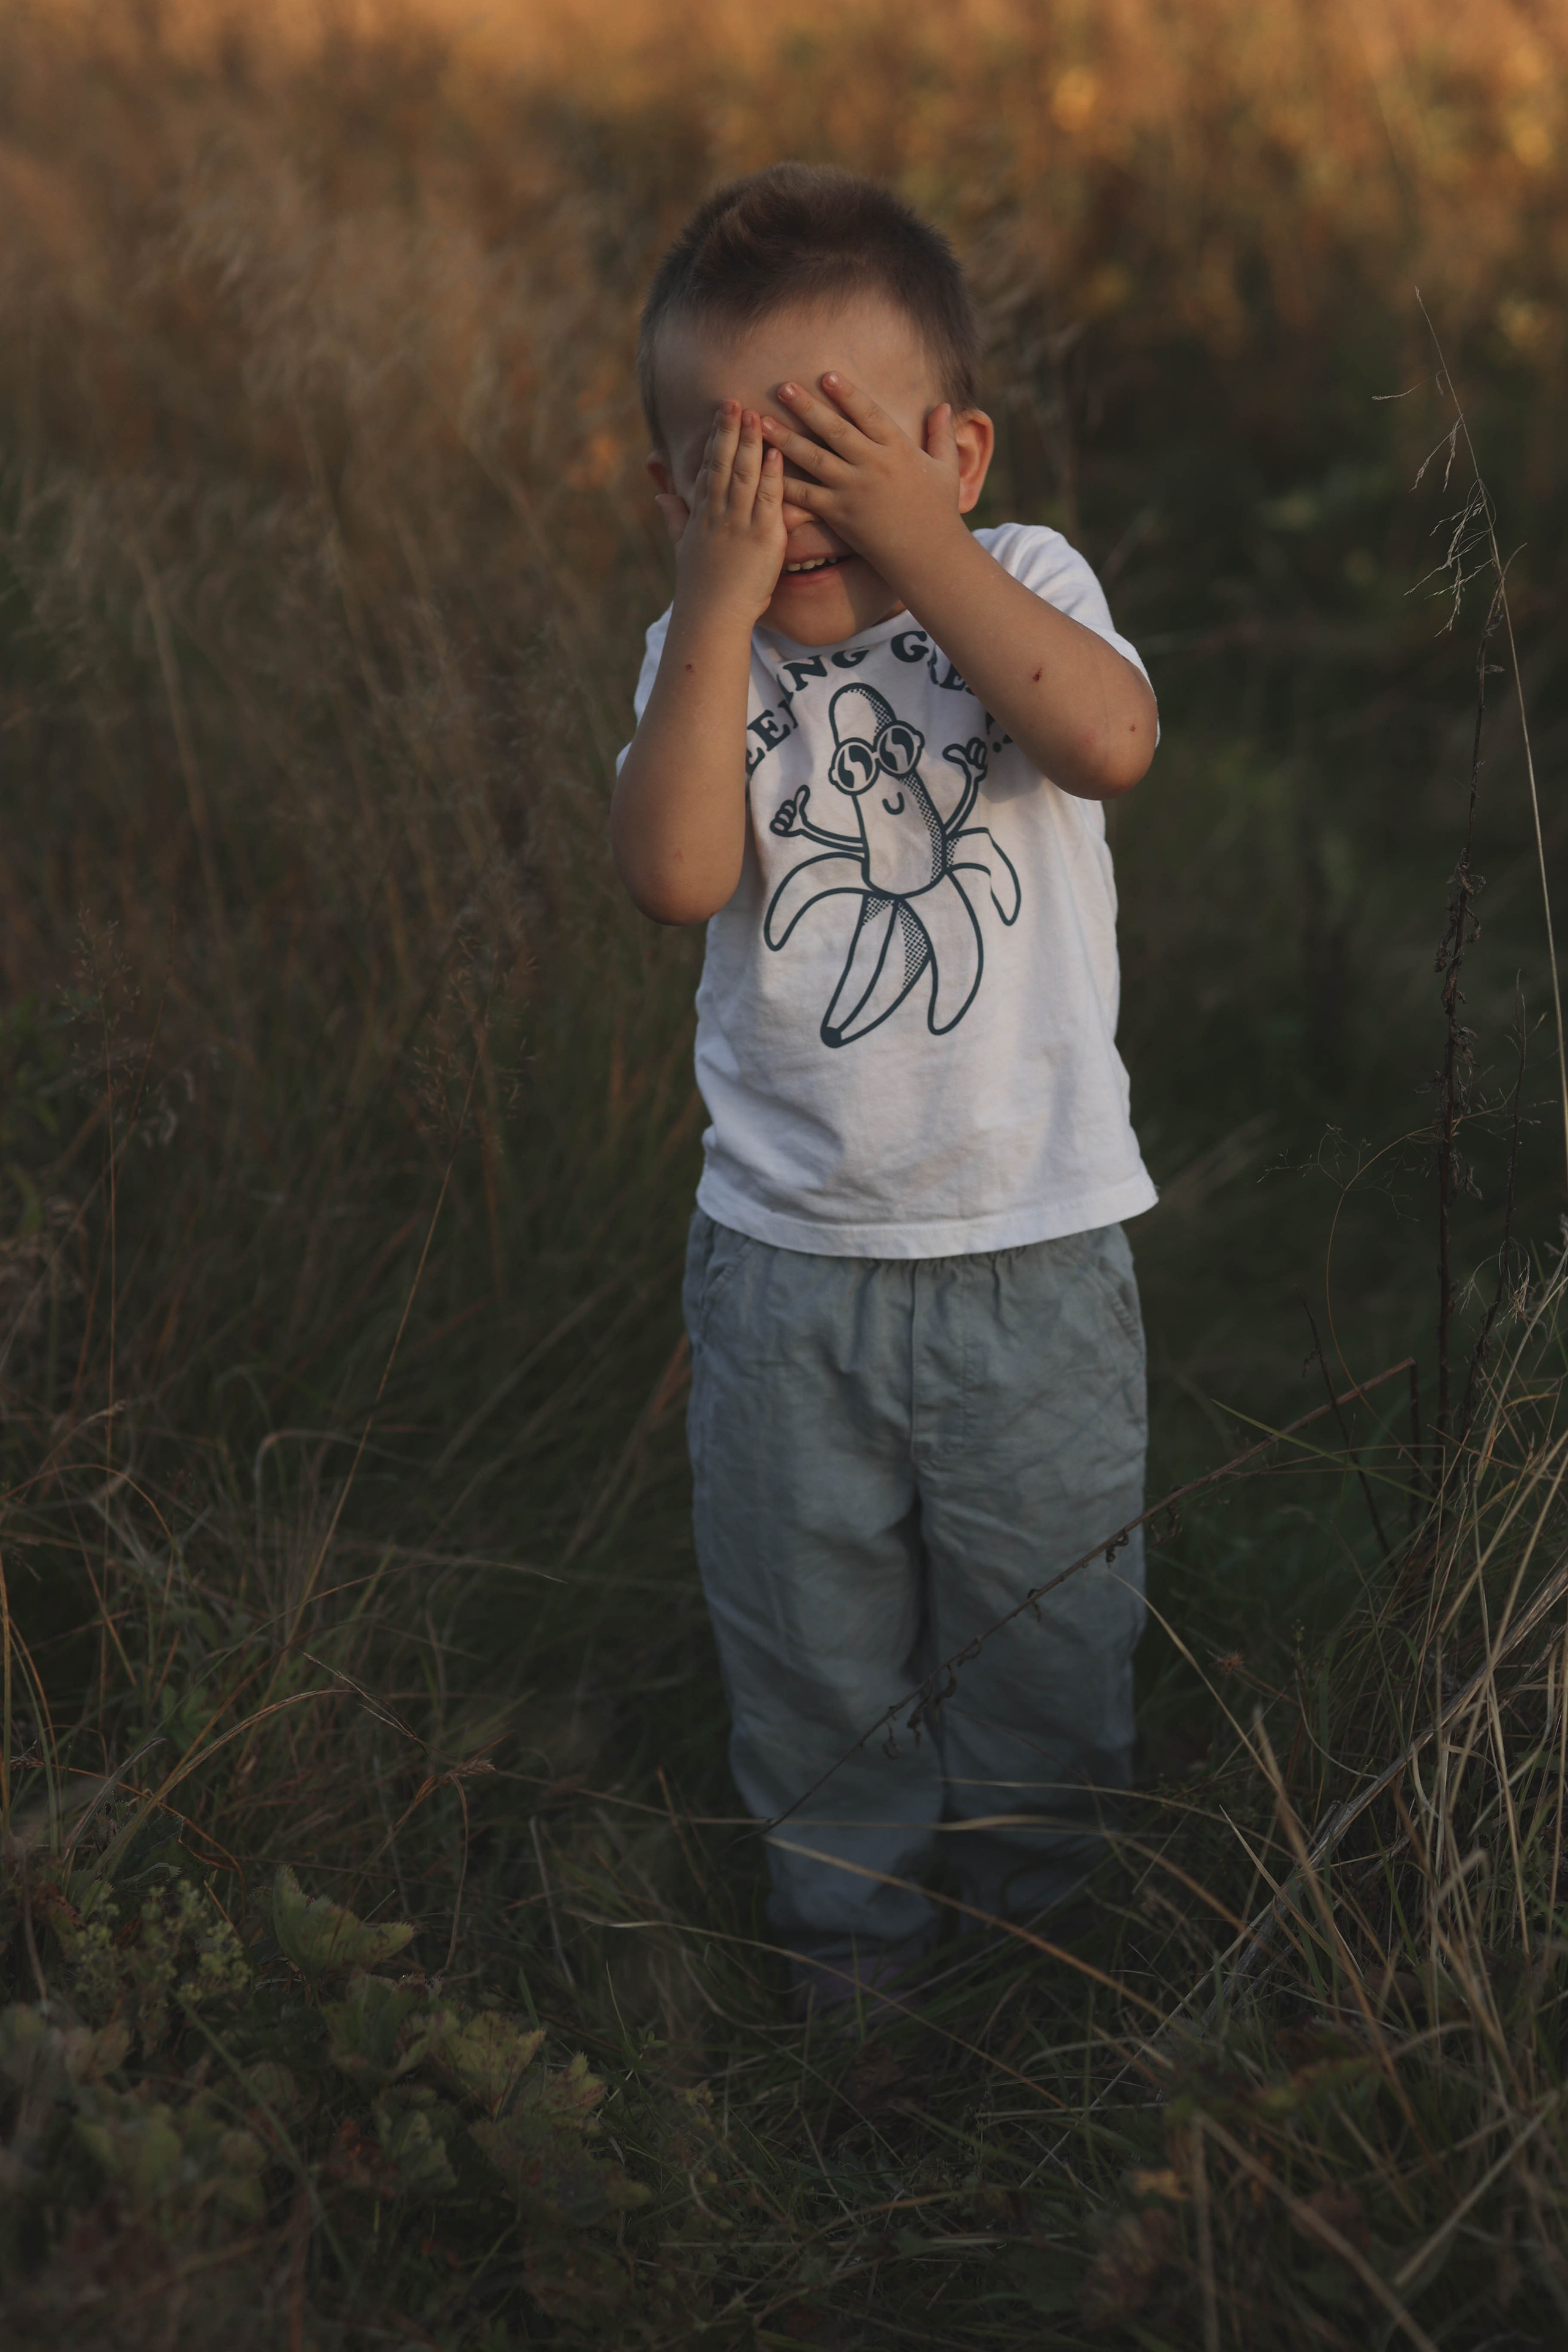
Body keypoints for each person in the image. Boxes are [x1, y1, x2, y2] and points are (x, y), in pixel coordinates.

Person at [612, 162, 1158, 2011]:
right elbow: (679, 874)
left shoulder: (1021, 586)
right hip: (784, 1276)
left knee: (1045, 1643)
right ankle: (857, 1980)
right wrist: (714, 602)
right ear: (680, 494)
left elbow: (1108, 737)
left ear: (957, 452)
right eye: (750, 460)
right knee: (814, 1659)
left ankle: (1038, 1973)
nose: (806, 502)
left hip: (1034, 1260)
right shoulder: (703, 658)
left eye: (841, 447)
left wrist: (918, 543)